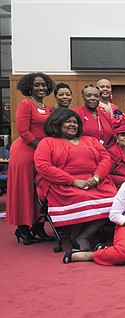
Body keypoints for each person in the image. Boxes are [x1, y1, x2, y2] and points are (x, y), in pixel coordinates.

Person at [34, 108, 117, 251]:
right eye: (68, 122)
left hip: (95, 181)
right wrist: (73, 181)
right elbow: (43, 166)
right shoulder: (47, 142)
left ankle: (83, 236)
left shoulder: (90, 140)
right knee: (80, 196)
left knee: (115, 199)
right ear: (57, 123)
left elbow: (106, 158)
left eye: (75, 122)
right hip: (61, 183)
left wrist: (96, 177)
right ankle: (75, 235)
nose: (73, 125)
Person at [7, 73, 56, 244]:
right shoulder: (25, 104)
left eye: (44, 85)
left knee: (39, 191)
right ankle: (23, 229)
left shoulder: (46, 107)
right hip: (25, 153)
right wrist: (42, 149)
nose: (41, 88)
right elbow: (23, 132)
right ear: (29, 87)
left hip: (40, 154)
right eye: (37, 85)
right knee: (26, 190)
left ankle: (38, 226)